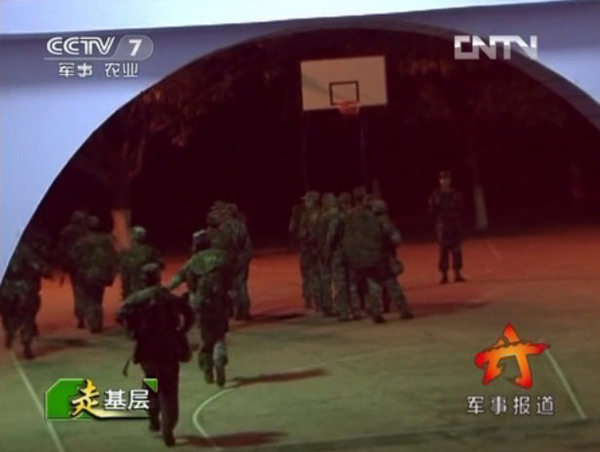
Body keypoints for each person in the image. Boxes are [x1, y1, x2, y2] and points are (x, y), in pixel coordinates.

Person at [117, 263, 194, 447]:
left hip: (147, 350)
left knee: (151, 381)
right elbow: (189, 314)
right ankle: (169, 427)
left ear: (143, 280)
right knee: (169, 389)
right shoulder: (169, 297)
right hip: (169, 348)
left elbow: (121, 316)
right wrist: (182, 331)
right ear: (158, 278)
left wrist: (133, 332)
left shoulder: (136, 299)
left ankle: (153, 415)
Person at [167, 231, 230, 387]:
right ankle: (219, 357)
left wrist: (161, 290)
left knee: (206, 337)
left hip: (200, 304)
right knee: (219, 334)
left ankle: (207, 367)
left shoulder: (193, 261)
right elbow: (232, 276)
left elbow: (176, 280)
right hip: (220, 302)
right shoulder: (222, 256)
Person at [343, 194, 414, 323]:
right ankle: (404, 311)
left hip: (365, 259)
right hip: (382, 257)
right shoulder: (382, 221)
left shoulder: (360, 222)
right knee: (392, 284)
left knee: (373, 286)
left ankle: (376, 313)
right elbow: (396, 239)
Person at [0, 241, 50, 359]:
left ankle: (11, 331)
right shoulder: (26, 251)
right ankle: (26, 343)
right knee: (27, 317)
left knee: (9, 314)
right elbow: (40, 267)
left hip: (7, 289)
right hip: (25, 288)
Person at [71, 216, 117, 333]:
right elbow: (112, 257)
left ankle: (93, 323)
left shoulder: (82, 241)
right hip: (101, 273)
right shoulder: (106, 240)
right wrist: (111, 273)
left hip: (87, 274)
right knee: (98, 298)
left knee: (90, 298)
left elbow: (74, 257)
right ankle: (97, 321)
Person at [326, 192, 360, 321]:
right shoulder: (356, 216)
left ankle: (344, 312)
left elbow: (331, 237)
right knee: (352, 283)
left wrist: (327, 252)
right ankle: (356, 310)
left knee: (340, 284)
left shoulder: (337, 218)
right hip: (353, 253)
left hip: (339, 254)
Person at [429, 170, 466, 284]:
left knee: (456, 249)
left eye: (446, 179)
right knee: (443, 250)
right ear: (439, 181)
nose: (444, 181)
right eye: (442, 179)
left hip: (455, 223)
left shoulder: (456, 193)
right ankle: (444, 274)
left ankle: (457, 273)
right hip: (442, 225)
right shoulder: (435, 195)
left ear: (450, 180)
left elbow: (461, 208)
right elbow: (432, 211)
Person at [56, 211, 89, 328]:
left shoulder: (66, 231)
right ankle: (88, 314)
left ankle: (80, 316)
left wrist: (62, 263)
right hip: (85, 264)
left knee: (78, 290)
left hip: (73, 265)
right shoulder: (86, 231)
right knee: (87, 289)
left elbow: (62, 248)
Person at [221, 204, 253, 321]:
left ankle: (232, 310)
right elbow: (247, 245)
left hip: (232, 259)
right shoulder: (241, 225)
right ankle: (243, 311)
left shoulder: (225, 226)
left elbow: (225, 244)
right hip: (242, 258)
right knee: (241, 285)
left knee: (230, 286)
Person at [117, 226, 162, 300]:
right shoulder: (150, 250)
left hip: (132, 293)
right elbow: (160, 265)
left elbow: (124, 273)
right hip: (147, 292)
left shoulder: (126, 251)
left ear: (133, 236)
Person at [297, 191, 323, 311]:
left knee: (309, 275)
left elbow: (300, 232)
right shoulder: (321, 214)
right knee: (315, 275)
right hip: (316, 250)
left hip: (308, 249)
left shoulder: (306, 216)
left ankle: (310, 299)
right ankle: (318, 300)